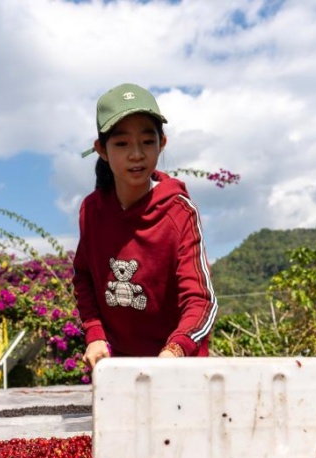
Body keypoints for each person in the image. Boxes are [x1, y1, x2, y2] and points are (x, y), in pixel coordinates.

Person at [73, 83, 217, 370]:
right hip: (122, 370)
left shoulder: (179, 211)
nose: (136, 154)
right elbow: (84, 276)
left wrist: (176, 350)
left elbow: (201, 300)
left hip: (180, 366)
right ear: (101, 149)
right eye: (122, 143)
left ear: (161, 143)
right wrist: (95, 334)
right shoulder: (91, 211)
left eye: (147, 142)